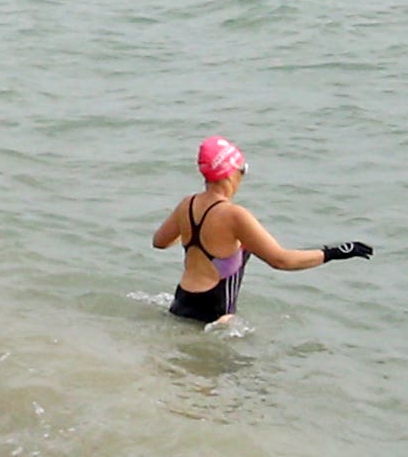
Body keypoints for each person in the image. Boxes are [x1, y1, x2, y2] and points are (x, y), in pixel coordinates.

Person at [154, 136, 369, 324]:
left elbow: (160, 241)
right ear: (229, 173)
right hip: (213, 314)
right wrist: (334, 253)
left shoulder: (187, 205)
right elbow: (281, 260)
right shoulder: (234, 216)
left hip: (180, 303)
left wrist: (194, 235)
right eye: (242, 171)